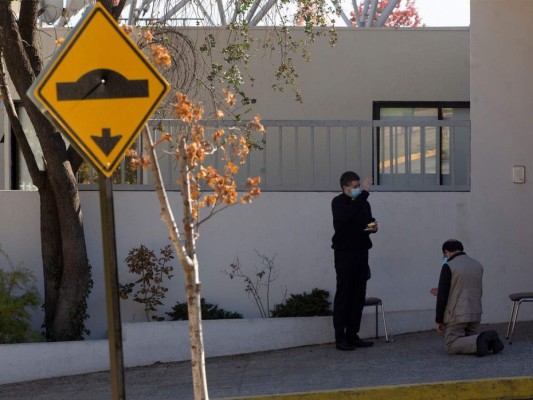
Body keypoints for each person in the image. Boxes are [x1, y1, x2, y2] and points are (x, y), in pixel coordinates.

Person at [331, 171, 377, 351]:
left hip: (361, 252)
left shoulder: (364, 203)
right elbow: (347, 217)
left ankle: (353, 334)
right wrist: (364, 193)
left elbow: (369, 222)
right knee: (344, 294)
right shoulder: (338, 203)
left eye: (359, 186)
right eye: (355, 186)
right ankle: (340, 337)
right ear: (345, 188)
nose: (358, 189)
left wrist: (373, 228)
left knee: (358, 294)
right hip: (344, 253)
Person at [434, 239, 504, 356]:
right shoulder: (477, 265)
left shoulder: (449, 266)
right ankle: (489, 340)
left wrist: (439, 319)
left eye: (444, 255)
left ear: (446, 252)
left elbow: (442, 296)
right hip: (475, 312)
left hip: (457, 314)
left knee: (451, 345)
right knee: (470, 338)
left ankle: (481, 339)